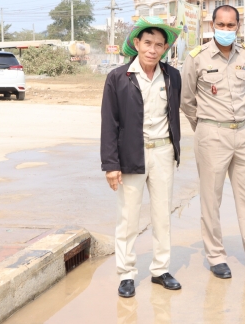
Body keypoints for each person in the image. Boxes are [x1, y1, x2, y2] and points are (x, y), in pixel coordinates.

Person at [180, 5, 245, 279]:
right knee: (211, 199)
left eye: (230, 25)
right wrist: (204, 127)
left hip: (243, 133)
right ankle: (216, 256)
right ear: (212, 25)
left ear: (238, 26)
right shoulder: (197, 58)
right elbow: (186, 100)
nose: (226, 30)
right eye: (221, 25)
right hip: (212, 134)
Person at [101, 17, 183, 298]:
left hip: (163, 152)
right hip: (131, 154)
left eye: (159, 45)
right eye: (148, 43)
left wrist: (175, 150)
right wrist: (111, 164)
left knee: (162, 215)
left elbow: (174, 115)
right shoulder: (118, 77)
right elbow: (109, 123)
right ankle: (126, 274)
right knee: (128, 217)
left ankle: (161, 270)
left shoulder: (172, 76)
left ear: (165, 49)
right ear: (136, 44)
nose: (152, 49)